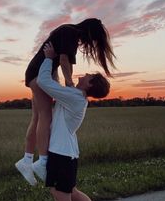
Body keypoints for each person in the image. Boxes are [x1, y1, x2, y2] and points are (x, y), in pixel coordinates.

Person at [25, 41, 115, 201]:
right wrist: (60, 63)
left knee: (62, 200)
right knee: (71, 192)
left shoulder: (75, 97)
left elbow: (45, 82)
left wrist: (48, 57)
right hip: (67, 155)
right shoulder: (75, 96)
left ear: (90, 84)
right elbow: (62, 82)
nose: (83, 74)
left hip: (61, 156)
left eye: (88, 75)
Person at [15, 18, 116, 184]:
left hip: (39, 71)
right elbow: (63, 61)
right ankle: (42, 161)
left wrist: (68, 84)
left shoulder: (71, 33)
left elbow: (67, 63)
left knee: (38, 117)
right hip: (41, 73)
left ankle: (26, 160)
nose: (91, 43)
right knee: (45, 116)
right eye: (94, 39)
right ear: (90, 32)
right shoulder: (70, 32)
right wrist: (69, 85)